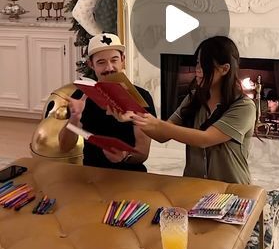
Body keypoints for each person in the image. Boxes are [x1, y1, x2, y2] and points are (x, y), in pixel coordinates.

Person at [131, 36, 256, 184]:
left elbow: (205, 139)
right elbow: (161, 136)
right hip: (194, 186)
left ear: (224, 69)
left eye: (205, 65)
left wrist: (158, 124)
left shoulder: (244, 106)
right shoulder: (193, 99)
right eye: (197, 63)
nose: (197, 71)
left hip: (231, 190)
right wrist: (132, 116)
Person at [59, 33, 155, 171]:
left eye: (114, 60)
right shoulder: (82, 96)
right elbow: (64, 147)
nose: (109, 68)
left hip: (131, 175)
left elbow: (143, 153)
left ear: (123, 60)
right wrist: (75, 118)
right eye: (101, 62)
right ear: (91, 65)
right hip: (93, 173)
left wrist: (125, 156)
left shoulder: (141, 97)